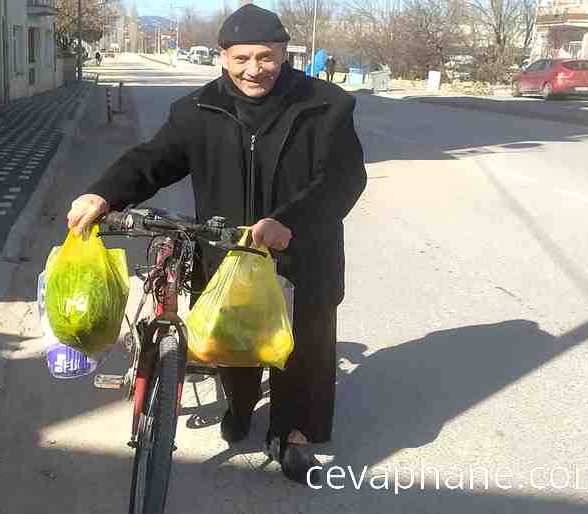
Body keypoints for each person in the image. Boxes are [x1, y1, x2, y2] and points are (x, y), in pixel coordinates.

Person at [66, 4, 367, 486]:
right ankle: (241, 407)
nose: (255, 69)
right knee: (233, 338)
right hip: (225, 250)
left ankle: (293, 434)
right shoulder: (198, 110)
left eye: (267, 56)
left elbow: (343, 178)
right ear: (223, 56)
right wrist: (104, 193)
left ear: (285, 53)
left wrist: (289, 221)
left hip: (303, 249)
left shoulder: (325, 106)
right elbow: (153, 161)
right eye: (242, 57)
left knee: (305, 346)